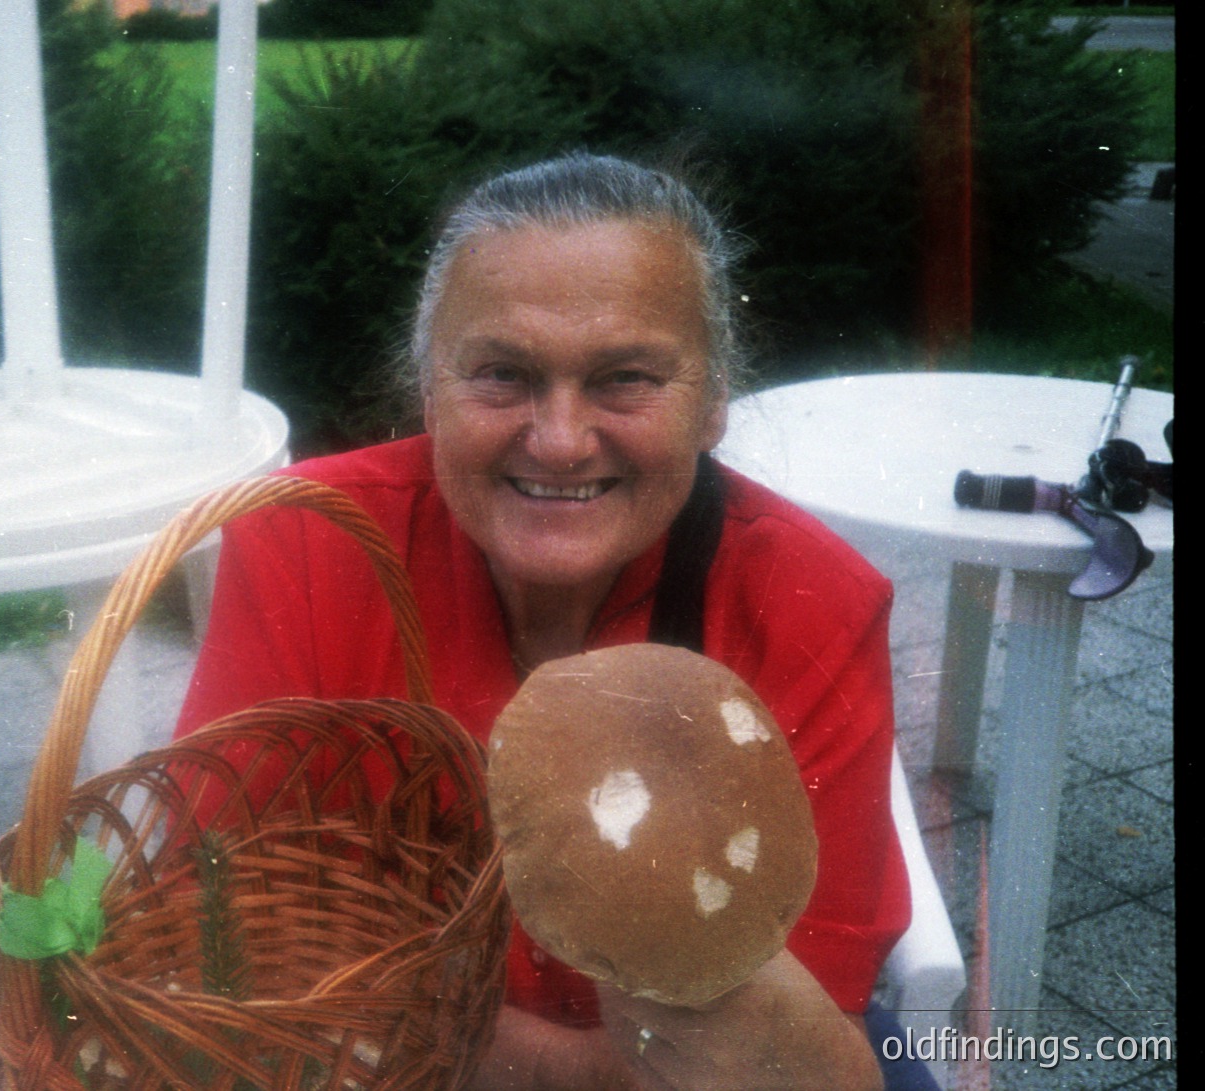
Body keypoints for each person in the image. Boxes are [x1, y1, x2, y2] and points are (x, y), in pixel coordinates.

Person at [174, 153, 913, 1090]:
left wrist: (434, 1037)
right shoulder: (306, 545)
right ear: (428, 389)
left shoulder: (812, 601)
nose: (560, 438)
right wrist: (576, 1069)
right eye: (501, 374)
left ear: (714, 402)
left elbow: (796, 1040)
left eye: (626, 377)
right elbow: (217, 914)